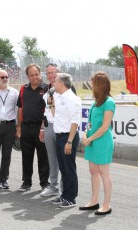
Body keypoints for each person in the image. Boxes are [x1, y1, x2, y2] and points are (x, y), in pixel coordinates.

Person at [80, 71, 115, 215]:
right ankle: (94, 201)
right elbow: (90, 123)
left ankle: (106, 205)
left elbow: (105, 127)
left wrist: (90, 138)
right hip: (92, 140)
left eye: (93, 83)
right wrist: (84, 135)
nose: (91, 85)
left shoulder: (109, 102)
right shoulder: (96, 103)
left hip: (102, 142)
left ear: (99, 85)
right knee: (93, 171)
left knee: (103, 173)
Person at [16, 64, 50, 192]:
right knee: (26, 156)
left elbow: (49, 109)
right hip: (26, 128)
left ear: (40, 74)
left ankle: (44, 183)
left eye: (36, 74)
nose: (35, 77)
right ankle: (26, 182)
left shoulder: (47, 88)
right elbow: (20, 108)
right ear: (28, 77)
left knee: (43, 157)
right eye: (32, 75)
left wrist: (43, 128)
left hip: (41, 128)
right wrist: (19, 126)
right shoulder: (23, 89)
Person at [53, 73, 81, 208]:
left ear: (62, 83)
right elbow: (56, 115)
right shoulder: (57, 96)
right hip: (59, 136)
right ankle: (64, 195)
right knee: (63, 168)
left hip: (68, 137)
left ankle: (71, 198)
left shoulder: (73, 99)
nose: (53, 83)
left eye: (56, 81)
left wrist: (69, 141)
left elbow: (75, 122)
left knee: (69, 168)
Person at [39, 63, 60, 197]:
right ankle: (53, 186)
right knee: (51, 158)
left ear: (58, 72)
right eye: (48, 73)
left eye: (53, 72)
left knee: (63, 158)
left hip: (60, 126)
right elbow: (44, 109)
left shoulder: (66, 87)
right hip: (48, 126)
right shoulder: (46, 88)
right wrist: (42, 128)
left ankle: (65, 188)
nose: (50, 75)